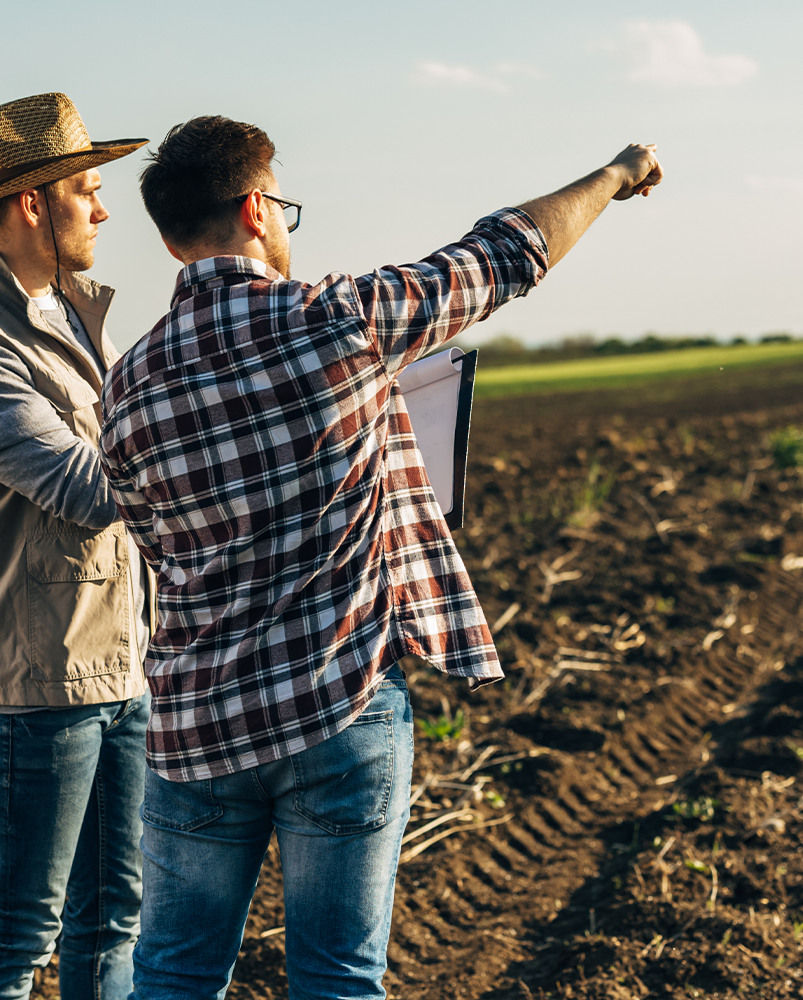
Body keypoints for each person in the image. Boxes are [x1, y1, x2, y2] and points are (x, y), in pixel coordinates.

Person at [99, 116, 662, 1000]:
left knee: (172, 975)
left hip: (196, 724)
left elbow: (152, 543)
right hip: (341, 702)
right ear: (256, 209)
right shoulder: (341, 319)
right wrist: (617, 173)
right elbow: (505, 253)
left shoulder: (126, 385)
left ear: (172, 240)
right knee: (336, 977)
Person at [0, 93, 153, 1000]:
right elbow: (90, 488)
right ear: (30, 204)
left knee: (114, 919)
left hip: (120, 662)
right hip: (33, 685)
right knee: (20, 933)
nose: (102, 209)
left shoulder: (75, 314)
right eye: (87, 190)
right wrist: (203, 444)